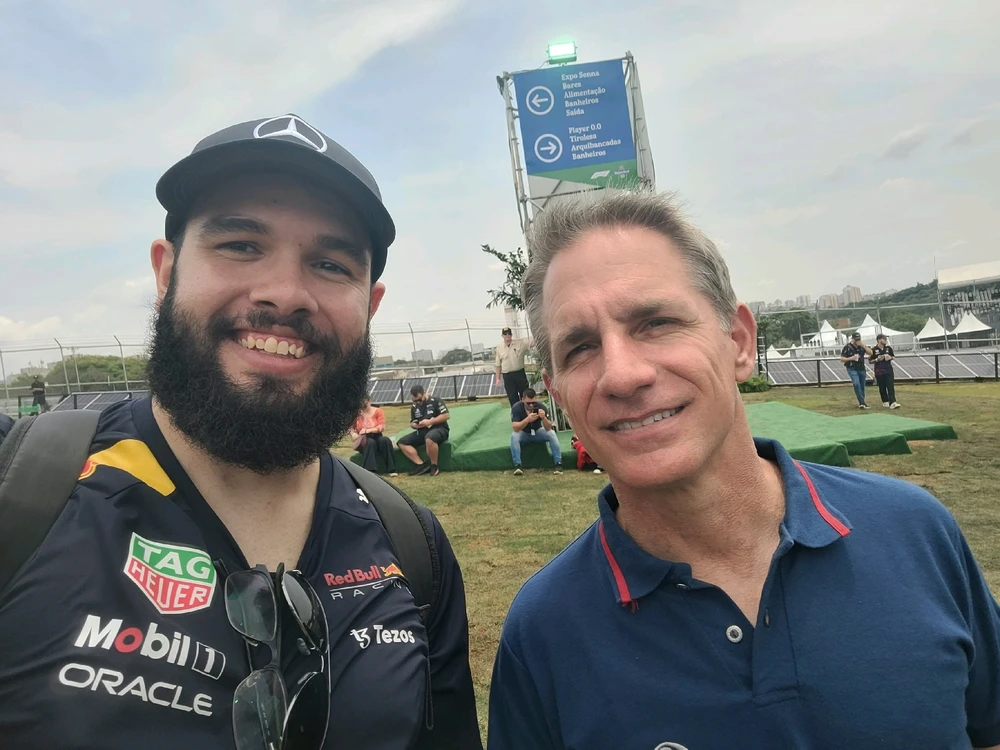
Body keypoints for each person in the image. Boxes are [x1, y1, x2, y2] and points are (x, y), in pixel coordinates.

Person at [0, 114, 483, 750]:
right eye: (240, 245)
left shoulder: (413, 549)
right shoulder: (22, 488)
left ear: (370, 306)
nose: (285, 294)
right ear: (166, 273)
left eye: (330, 263)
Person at [487, 190, 1000, 750]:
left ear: (738, 342)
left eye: (655, 322)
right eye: (581, 347)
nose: (622, 374)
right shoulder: (543, 632)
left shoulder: (915, 532)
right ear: (559, 392)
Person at [398, 384, 450, 476]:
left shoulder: (436, 401)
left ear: (424, 393)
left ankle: (434, 465)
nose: (418, 402)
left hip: (439, 428)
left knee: (429, 438)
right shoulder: (414, 406)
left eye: (419, 399)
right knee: (402, 442)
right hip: (422, 431)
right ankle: (421, 465)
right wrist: (415, 425)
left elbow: (446, 415)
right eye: (415, 400)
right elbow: (413, 422)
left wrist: (430, 422)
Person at [509, 388, 562, 475]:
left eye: (533, 403)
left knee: (552, 434)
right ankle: (518, 465)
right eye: (528, 403)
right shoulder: (517, 408)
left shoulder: (541, 407)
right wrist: (527, 420)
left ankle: (558, 463)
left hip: (537, 431)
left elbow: (549, 427)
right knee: (514, 436)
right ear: (523, 399)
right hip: (524, 433)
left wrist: (543, 418)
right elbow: (515, 428)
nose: (531, 405)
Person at [349, 395, 398, 475]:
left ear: (370, 402)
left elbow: (381, 427)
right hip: (364, 439)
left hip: (376, 435)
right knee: (370, 443)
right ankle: (370, 470)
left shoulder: (378, 411)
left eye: (365, 404)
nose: (363, 408)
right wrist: (353, 434)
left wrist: (367, 430)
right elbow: (351, 427)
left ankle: (392, 469)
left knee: (385, 440)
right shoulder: (357, 414)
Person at [494, 326, 530, 407]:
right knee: (512, 396)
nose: (507, 335)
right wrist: (498, 379)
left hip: (519, 373)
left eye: (509, 334)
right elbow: (498, 365)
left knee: (525, 395)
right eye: (505, 334)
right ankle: (516, 413)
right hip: (508, 376)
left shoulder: (520, 343)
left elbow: (530, 344)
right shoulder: (499, 347)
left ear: (511, 335)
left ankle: (527, 412)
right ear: (502, 336)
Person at [839, 331, 872, 409]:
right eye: (856, 339)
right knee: (856, 384)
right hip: (852, 368)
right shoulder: (847, 347)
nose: (857, 341)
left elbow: (871, 353)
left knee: (862, 385)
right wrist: (851, 358)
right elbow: (842, 358)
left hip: (861, 368)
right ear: (852, 339)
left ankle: (862, 402)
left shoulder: (862, 346)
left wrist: (863, 345)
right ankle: (862, 403)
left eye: (859, 339)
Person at [870, 333, 900, 409]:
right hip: (879, 371)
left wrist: (890, 358)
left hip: (888, 369)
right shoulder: (873, 350)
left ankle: (893, 402)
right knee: (882, 387)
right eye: (884, 339)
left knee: (890, 386)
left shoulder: (888, 348)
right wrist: (877, 359)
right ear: (879, 340)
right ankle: (885, 401)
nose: (886, 340)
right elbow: (870, 361)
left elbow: (893, 356)